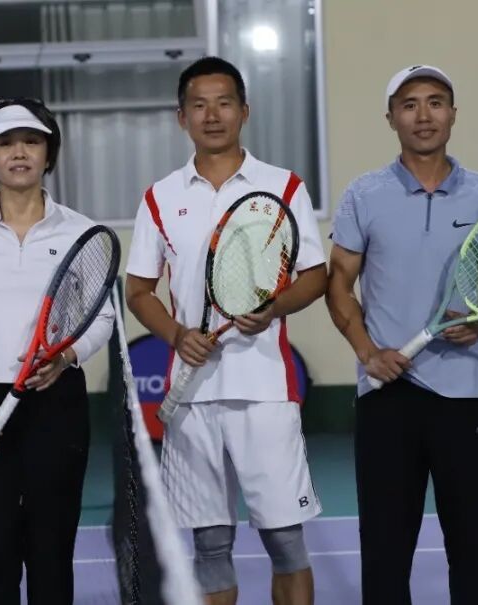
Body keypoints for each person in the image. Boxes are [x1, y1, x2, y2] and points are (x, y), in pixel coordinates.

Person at [124, 57, 327, 605]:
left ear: (244, 111)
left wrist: (274, 308)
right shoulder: (160, 197)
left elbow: (315, 276)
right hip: (191, 396)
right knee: (210, 547)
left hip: (265, 391)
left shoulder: (283, 186)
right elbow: (138, 291)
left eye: (224, 103)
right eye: (199, 105)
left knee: (286, 543)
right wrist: (175, 335)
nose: (212, 115)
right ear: (181, 117)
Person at [325, 64, 478, 604]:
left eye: (435, 102)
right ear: (391, 119)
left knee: (471, 548)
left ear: (453, 114)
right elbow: (338, 285)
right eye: (409, 105)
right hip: (387, 397)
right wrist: (367, 352)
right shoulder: (364, 194)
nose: (423, 115)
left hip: (462, 396)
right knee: (385, 551)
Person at [0, 97, 114, 605]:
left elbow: (100, 318)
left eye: (31, 142)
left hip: (57, 404)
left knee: (51, 552)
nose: (19, 153)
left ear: (48, 153)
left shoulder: (79, 231)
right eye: (6, 143)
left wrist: (67, 357)